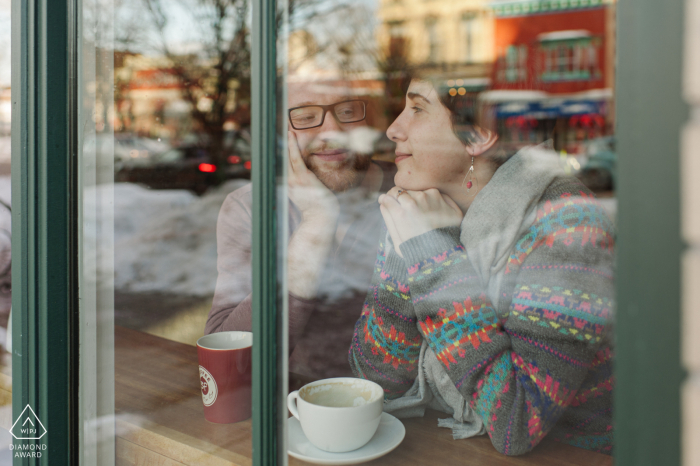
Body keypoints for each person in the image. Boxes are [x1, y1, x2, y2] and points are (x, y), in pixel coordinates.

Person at [349, 79, 614, 456]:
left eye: (418, 108)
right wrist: (406, 248)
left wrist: (431, 257)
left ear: (477, 136)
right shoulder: (419, 211)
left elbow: (517, 423)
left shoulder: (568, 226)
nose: (393, 129)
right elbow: (373, 382)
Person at [206, 82, 395, 379]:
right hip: (292, 413)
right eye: (306, 117)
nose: (332, 130)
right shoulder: (251, 208)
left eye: (347, 111)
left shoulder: (413, 190)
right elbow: (227, 369)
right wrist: (316, 223)